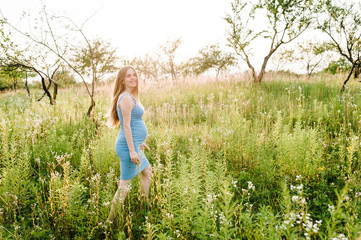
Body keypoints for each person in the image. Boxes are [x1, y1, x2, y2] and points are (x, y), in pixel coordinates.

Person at [107, 66, 152, 223]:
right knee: (124, 187)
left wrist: (140, 142)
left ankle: (144, 205)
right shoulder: (125, 98)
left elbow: (133, 123)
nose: (133, 78)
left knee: (147, 172)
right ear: (122, 80)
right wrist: (133, 150)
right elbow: (126, 126)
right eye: (129, 76)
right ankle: (109, 222)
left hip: (133, 145)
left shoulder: (130, 97)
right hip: (127, 148)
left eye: (135, 75)